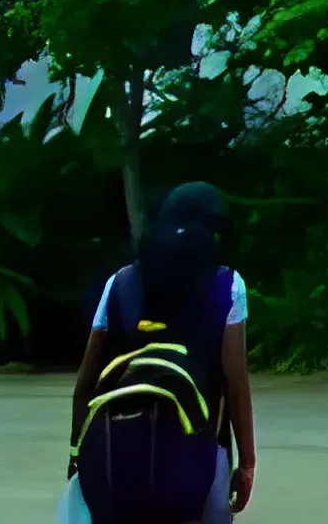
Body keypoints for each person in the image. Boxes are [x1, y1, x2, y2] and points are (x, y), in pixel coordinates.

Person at [68, 181, 252, 524]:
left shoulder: (119, 282)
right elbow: (236, 384)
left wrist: (76, 452)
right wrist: (248, 464)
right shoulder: (228, 285)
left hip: (119, 452)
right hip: (197, 452)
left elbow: (85, 384)